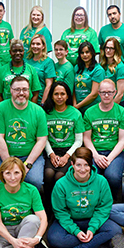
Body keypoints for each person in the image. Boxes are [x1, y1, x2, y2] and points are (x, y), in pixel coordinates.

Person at [49, 147, 119, 248]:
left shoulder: (101, 181)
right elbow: (60, 212)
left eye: (86, 165)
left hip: (92, 219)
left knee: (114, 230)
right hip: (71, 220)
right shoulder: (61, 184)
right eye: (78, 165)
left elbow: (104, 207)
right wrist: (76, 231)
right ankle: (98, 240)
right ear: (72, 164)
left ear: (91, 165)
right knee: (54, 239)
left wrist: (92, 228)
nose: (82, 169)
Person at [0, 76, 48, 193]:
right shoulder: (0, 108)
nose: (21, 93)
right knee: (1, 180)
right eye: (17, 90)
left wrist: (27, 165)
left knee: (34, 180)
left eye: (25, 90)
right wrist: (10, 165)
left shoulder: (38, 111)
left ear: (29, 91)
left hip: (31, 157)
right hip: (6, 156)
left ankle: (28, 207)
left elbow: (41, 140)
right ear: (10, 90)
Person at [42, 81, 85, 220]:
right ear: (51, 96)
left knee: (59, 176)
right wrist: (51, 154)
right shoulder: (45, 113)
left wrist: (67, 156)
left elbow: (79, 141)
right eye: (56, 94)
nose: (59, 97)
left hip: (69, 151)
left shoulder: (75, 113)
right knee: (48, 174)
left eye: (62, 94)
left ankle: (59, 208)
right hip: (51, 149)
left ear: (67, 96)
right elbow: (43, 137)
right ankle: (47, 206)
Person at [83, 79, 124, 199]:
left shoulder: (123, 113)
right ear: (98, 93)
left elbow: (123, 140)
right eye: (103, 92)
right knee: (91, 175)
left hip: (115, 152)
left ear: (115, 92)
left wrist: (109, 159)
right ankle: (94, 201)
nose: (106, 95)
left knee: (113, 177)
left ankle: (111, 200)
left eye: (109, 92)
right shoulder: (89, 112)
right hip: (95, 151)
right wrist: (96, 156)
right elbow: (87, 138)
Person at [0, 39, 42, 104]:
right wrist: (4, 108)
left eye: (20, 51)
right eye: (14, 51)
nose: (18, 53)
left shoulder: (31, 69)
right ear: (10, 52)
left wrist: (29, 109)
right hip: (8, 110)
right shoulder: (2, 70)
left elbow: (35, 93)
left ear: (23, 52)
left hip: (26, 109)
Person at [73, 41, 104, 113]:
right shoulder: (77, 67)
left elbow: (94, 94)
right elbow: (73, 89)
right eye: (82, 53)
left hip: (92, 109)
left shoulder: (98, 70)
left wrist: (77, 106)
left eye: (87, 52)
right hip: (77, 108)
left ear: (92, 53)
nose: (85, 55)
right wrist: (74, 105)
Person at [26, 34, 56, 105]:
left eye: (38, 44)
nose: (35, 46)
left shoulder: (48, 62)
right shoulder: (26, 61)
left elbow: (49, 85)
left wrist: (43, 103)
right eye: (33, 44)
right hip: (26, 100)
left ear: (43, 46)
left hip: (40, 100)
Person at [98, 37, 124, 105]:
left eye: (111, 48)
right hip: (103, 102)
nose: (108, 50)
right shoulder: (102, 65)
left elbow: (120, 94)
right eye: (106, 47)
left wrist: (110, 107)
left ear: (116, 50)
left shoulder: (120, 67)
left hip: (116, 103)